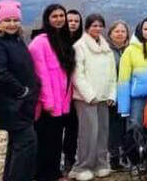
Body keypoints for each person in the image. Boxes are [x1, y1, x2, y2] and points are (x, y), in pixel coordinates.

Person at [0, 0, 40, 181]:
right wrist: (22, 91)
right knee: (26, 145)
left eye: (15, 20)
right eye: (7, 20)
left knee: (17, 145)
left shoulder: (15, 40)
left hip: (20, 105)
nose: (12, 24)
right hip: (11, 105)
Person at [28, 3, 76, 181]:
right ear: (47, 19)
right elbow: (40, 75)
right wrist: (48, 101)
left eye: (61, 16)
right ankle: (44, 175)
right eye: (54, 16)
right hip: (48, 104)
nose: (59, 19)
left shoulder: (63, 39)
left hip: (62, 102)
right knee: (46, 141)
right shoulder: (39, 43)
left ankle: (54, 173)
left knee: (56, 140)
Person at [69, 14, 117, 181]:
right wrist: (90, 95)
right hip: (86, 98)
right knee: (88, 133)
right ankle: (82, 166)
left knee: (103, 132)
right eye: (93, 25)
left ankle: (101, 163)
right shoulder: (79, 46)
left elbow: (112, 74)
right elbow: (77, 75)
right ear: (87, 27)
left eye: (100, 26)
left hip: (104, 97)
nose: (97, 29)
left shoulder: (106, 48)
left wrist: (111, 94)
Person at [117, 18, 147, 138]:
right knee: (135, 127)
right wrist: (124, 107)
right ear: (140, 31)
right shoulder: (130, 51)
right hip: (137, 99)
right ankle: (133, 155)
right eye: (146, 29)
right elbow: (123, 80)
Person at [105, 21, 130, 171]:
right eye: (117, 31)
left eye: (123, 31)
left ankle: (126, 154)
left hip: (126, 94)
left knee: (125, 126)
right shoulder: (106, 51)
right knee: (114, 128)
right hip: (112, 95)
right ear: (110, 34)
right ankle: (114, 157)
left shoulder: (130, 50)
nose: (120, 34)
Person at [63, 9, 83, 174]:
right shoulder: (56, 40)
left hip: (76, 92)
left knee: (72, 127)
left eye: (76, 21)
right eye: (70, 20)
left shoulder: (83, 41)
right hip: (58, 91)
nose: (73, 23)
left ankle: (69, 158)